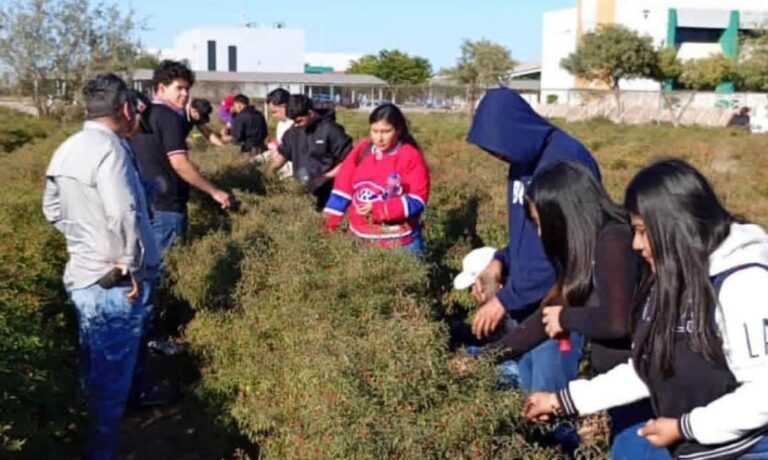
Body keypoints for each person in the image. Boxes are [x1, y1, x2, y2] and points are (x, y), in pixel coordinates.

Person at [524, 159, 768, 460]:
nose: (636, 245)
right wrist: (561, 400)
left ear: (675, 225)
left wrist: (685, 427)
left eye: (642, 231)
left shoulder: (742, 284)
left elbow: (762, 393)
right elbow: (648, 368)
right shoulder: (668, 280)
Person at [491, 161, 668, 460]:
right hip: (624, 394)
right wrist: (487, 357)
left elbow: (616, 321)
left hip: (646, 398)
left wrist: (566, 318)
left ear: (564, 216)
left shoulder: (614, 240)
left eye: (541, 222)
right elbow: (544, 319)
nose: (540, 233)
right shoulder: (590, 251)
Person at [42, 73, 160, 460]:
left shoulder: (67, 148)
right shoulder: (111, 151)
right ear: (125, 109)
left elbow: (52, 210)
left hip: (83, 276)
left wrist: (84, 240)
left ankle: (83, 446)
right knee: (109, 389)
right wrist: (130, 264)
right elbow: (123, 213)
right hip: (114, 284)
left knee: (92, 374)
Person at [465, 87, 599, 394]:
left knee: (548, 395)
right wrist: (500, 261)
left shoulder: (566, 160)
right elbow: (526, 234)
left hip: (556, 304)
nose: (497, 155)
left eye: (497, 146)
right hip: (525, 305)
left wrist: (505, 300)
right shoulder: (522, 159)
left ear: (515, 129)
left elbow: (566, 247)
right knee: (528, 393)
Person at [130, 60, 232, 255]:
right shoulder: (169, 117)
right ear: (161, 87)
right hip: (167, 207)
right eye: (179, 88)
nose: (185, 94)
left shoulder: (141, 116)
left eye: (187, 89)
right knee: (167, 266)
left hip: (144, 202)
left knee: (145, 264)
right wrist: (214, 191)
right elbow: (179, 164)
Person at [323, 103, 430, 256]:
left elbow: (417, 200)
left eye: (386, 132)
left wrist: (379, 208)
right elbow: (342, 190)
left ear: (398, 130)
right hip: (360, 239)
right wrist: (328, 227)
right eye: (375, 131)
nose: (379, 138)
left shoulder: (410, 156)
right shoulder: (362, 150)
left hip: (399, 243)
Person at [269, 94, 353, 211]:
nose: (295, 125)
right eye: (293, 121)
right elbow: (283, 154)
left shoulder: (331, 130)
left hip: (329, 191)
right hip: (303, 190)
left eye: (299, 121)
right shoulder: (293, 131)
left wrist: (326, 177)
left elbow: (349, 160)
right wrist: (269, 173)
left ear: (310, 113)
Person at [265, 88, 294, 177]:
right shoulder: (281, 124)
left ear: (284, 106)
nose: (273, 116)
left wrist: (268, 174)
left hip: (293, 172)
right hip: (282, 169)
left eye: (274, 112)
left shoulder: (296, 125)